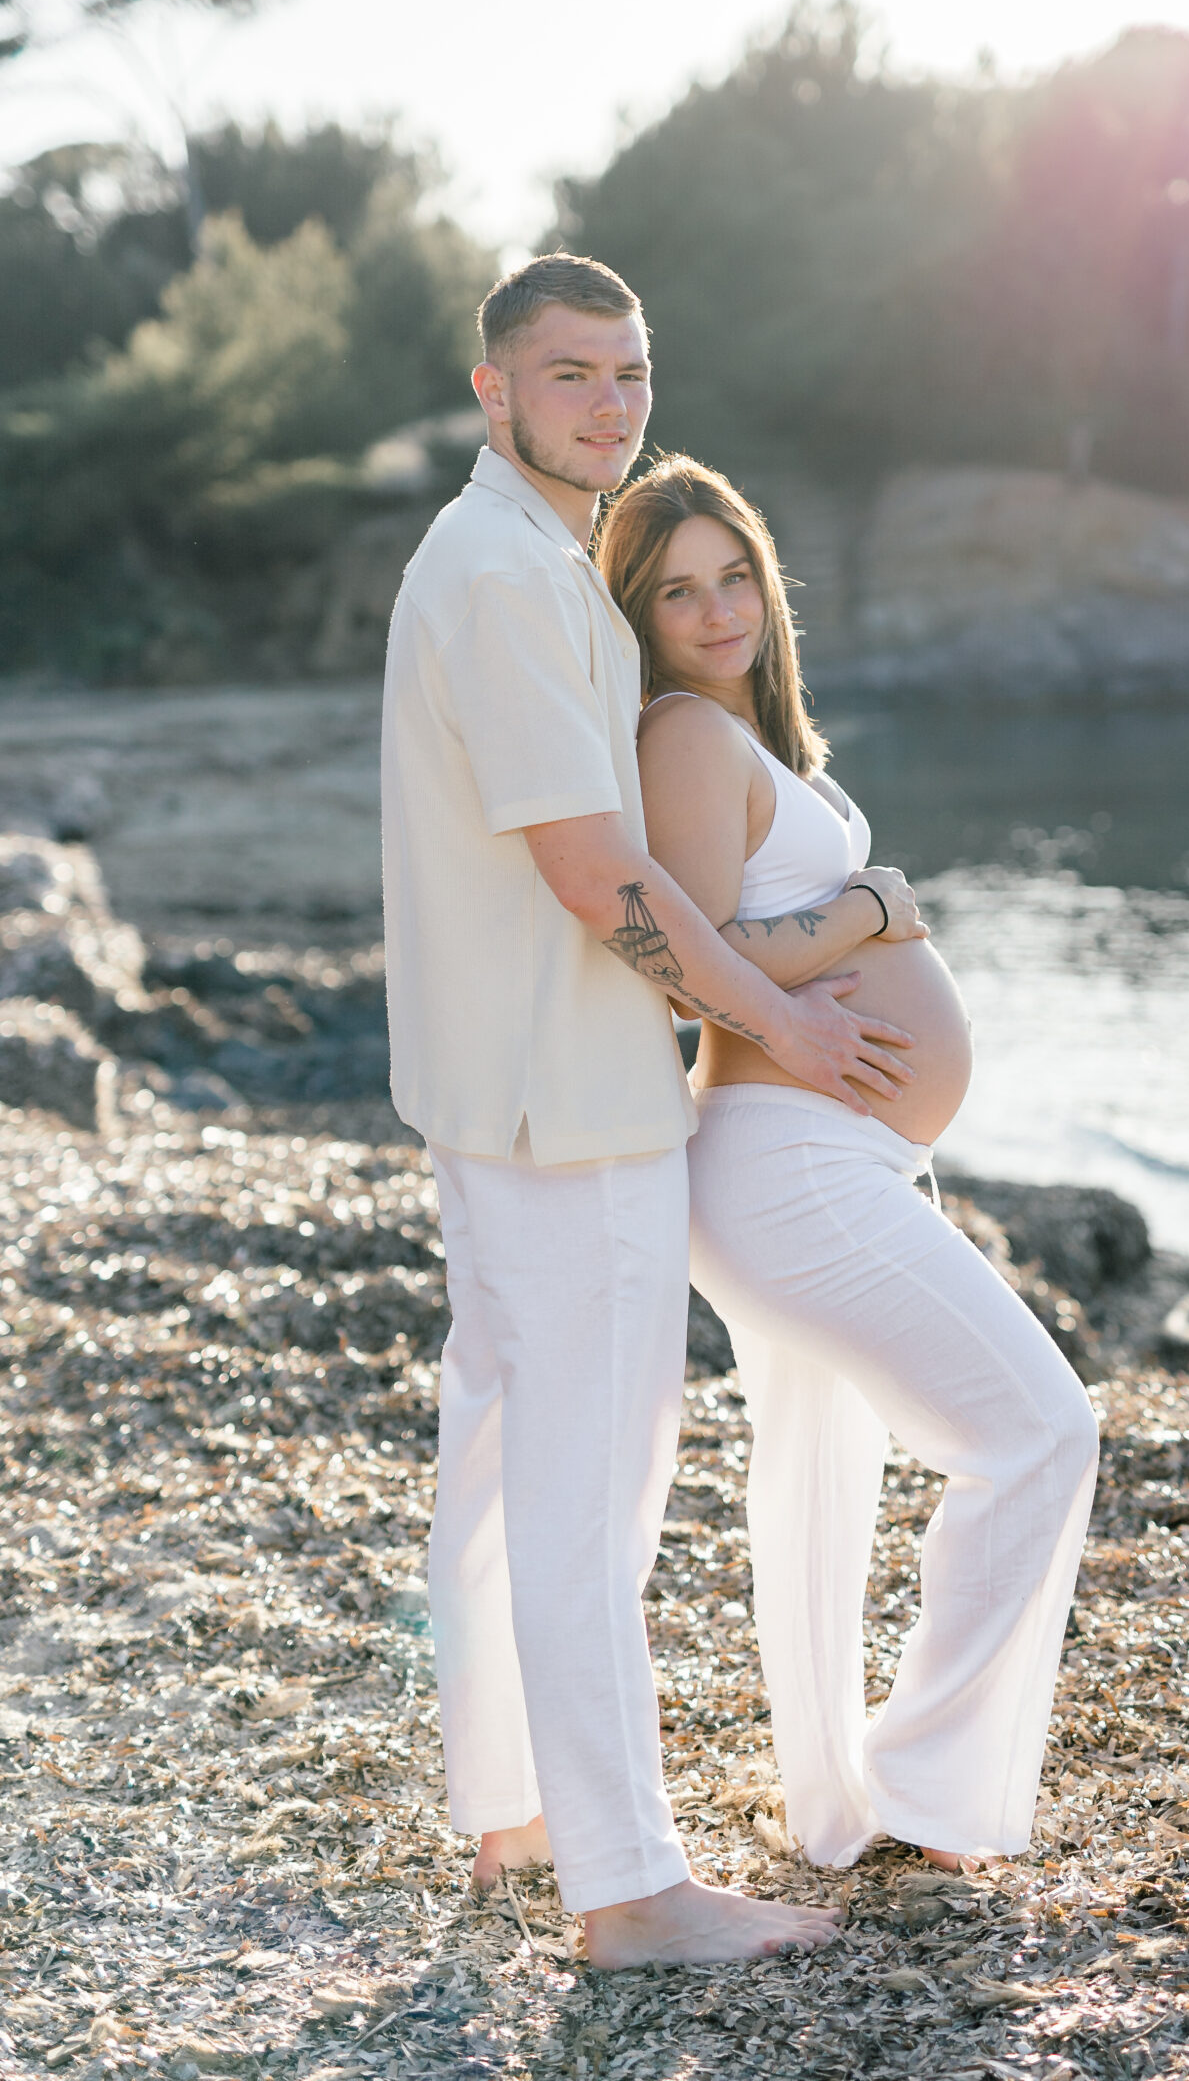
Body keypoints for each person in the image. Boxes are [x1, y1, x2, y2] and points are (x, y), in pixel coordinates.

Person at [381, 254, 916, 1967]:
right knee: (590, 1484)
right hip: (568, 1105)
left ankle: (514, 1807)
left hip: (506, 1095)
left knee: (505, 1454)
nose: (609, 404)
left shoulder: (519, 558)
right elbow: (592, 870)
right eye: (570, 374)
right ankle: (628, 1890)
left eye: (629, 372)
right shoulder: (509, 578)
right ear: (495, 391)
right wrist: (779, 1020)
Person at [598, 455, 1101, 1874]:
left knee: (819, 1483)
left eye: (735, 576)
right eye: (677, 591)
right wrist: (871, 909)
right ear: (639, 615)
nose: (718, 610)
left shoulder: (744, 741)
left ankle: (837, 1807)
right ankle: (928, 1787)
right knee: (1042, 1434)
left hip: (816, 1158)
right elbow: (689, 959)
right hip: (785, 1164)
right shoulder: (685, 735)